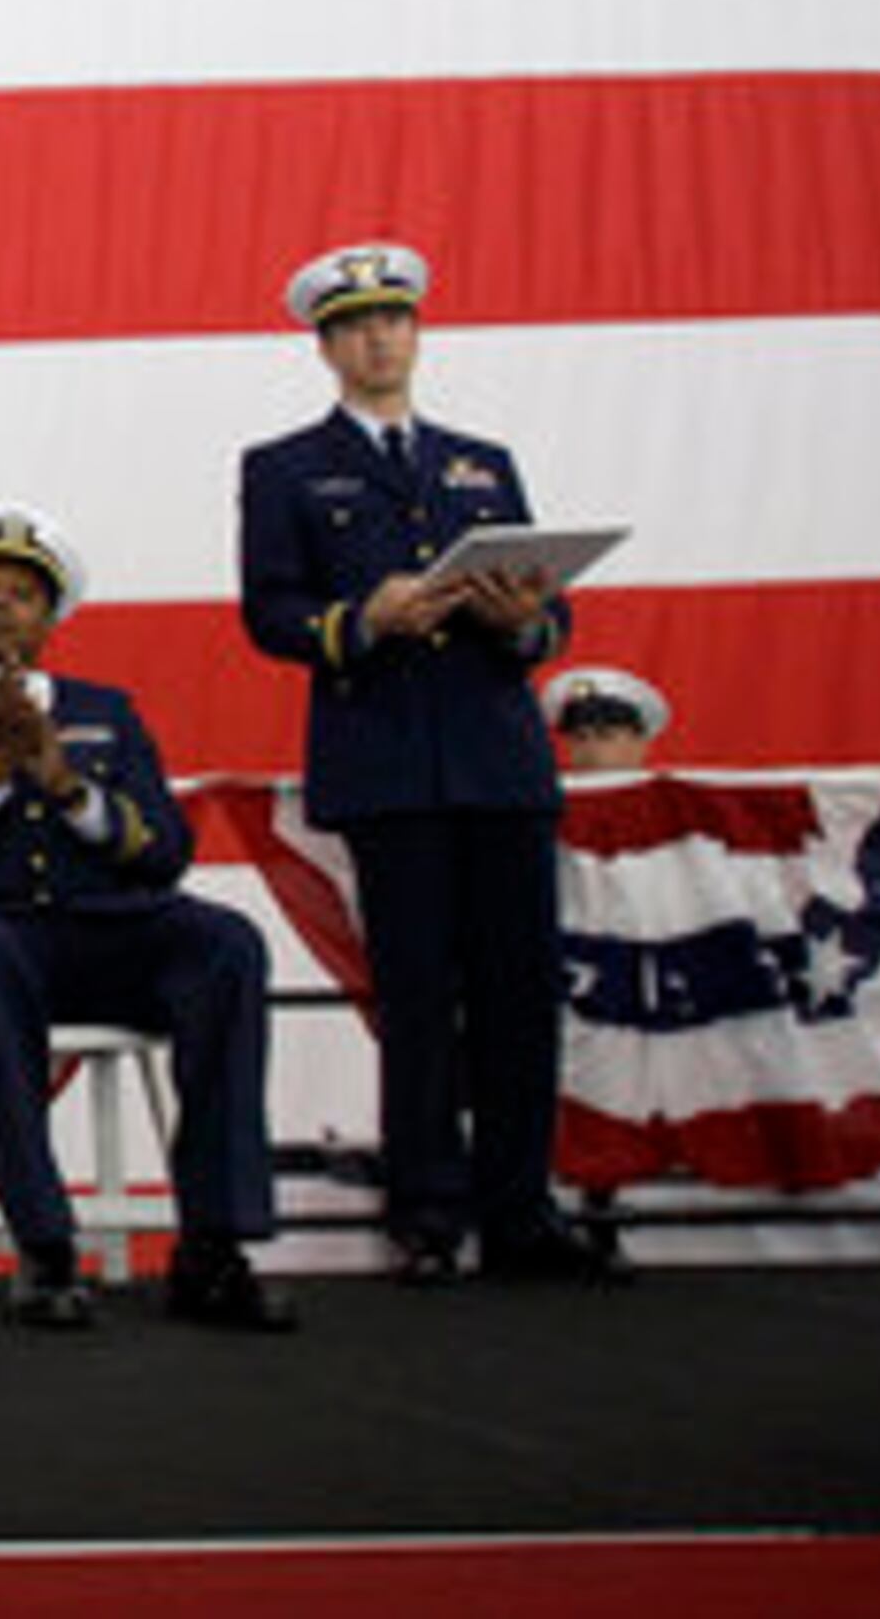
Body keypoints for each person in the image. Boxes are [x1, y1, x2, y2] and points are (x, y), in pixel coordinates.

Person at [238, 239, 618, 1286]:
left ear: (417, 331)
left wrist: (527, 620)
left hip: (498, 755)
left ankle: (520, 1210)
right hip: (388, 757)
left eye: (396, 320)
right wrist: (361, 618)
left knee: (521, 992)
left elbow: (549, 607)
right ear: (325, 345)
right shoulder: (285, 469)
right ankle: (429, 1211)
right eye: (358, 324)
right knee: (416, 995)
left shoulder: (480, 462)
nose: (381, 338)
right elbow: (270, 611)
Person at [0, 508, 295, 1334]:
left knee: (226, 943)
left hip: (99, 932)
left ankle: (214, 1247)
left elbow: (163, 852)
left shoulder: (105, 710)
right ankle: (45, 1246)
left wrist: (69, 789)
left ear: (51, 619)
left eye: (22, 594)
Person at [543, 665, 670, 774]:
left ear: (641, 745)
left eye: (605, 736)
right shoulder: (548, 799)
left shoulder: (670, 800)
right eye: (579, 737)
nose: (590, 750)